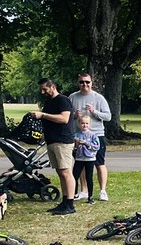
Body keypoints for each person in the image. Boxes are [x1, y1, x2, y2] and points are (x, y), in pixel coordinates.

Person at [32, 78, 76, 215]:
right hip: (52, 141)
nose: (42, 92)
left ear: (53, 87)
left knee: (66, 172)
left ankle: (70, 204)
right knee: (60, 172)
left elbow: (64, 118)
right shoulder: (48, 102)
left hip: (63, 141)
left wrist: (43, 115)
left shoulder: (62, 100)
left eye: (45, 89)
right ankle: (64, 201)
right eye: (41, 89)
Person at [69, 73, 112, 201]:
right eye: (82, 82)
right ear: (78, 83)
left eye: (87, 82)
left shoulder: (98, 98)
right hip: (78, 137)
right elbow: (67, 116)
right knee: (81, 162)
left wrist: (94, 111)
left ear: (91, 83)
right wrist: (74, 115)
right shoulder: (72, 97)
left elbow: (108, 116)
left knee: (99, 163)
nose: (85, 84)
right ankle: (84, 191)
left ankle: (102, 191)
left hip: (96, 135)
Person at [71, 113, 101, 204]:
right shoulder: (76, 135)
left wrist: (86, 143)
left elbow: (97, 146)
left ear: (89, 124)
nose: (85, 125)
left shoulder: (93, 135)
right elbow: (73, 147)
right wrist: (76, 144)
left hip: (90, 159)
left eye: (87, 123)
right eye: (83, 123)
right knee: (74, 176)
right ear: (79, 124)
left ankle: (90, 196)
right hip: (79, 158)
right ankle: (74, 193)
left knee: (89, 177)